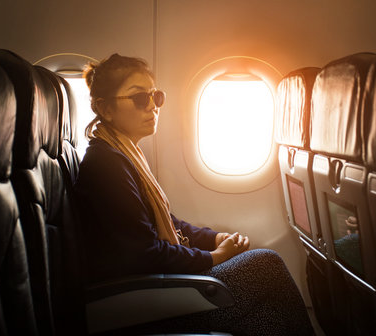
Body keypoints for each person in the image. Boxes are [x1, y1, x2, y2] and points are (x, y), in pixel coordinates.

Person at [74, 54, 313, 335]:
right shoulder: (106, 165)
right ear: (105, 108)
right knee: (265, 265)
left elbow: (167, 224)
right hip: (139, 302)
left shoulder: (124, 154)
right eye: (140, 99)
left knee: (264, 315)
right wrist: (213, 257)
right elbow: (144, 254)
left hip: (153, 287)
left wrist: (212, 238)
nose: (152, 107)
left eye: (156, 97)